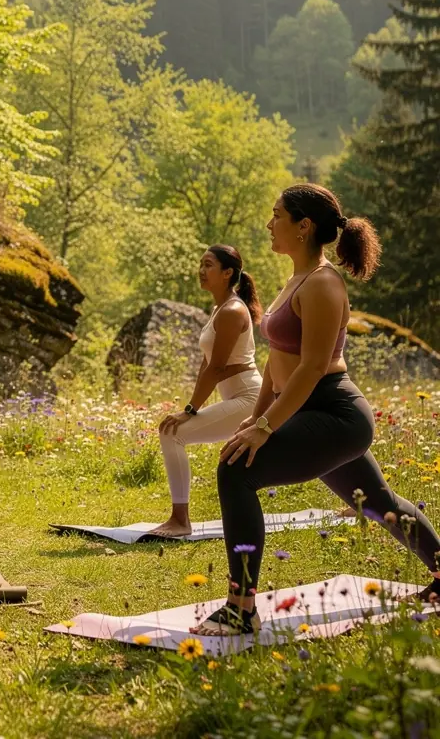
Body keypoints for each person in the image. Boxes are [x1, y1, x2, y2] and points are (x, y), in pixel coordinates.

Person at [193, 184, 440, 637]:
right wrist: (256, 415)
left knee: (235, 470)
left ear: (303, 226)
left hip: (334, 413)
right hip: (309, 408)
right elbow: (277, 361)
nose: (269, 224)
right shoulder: (296, 279)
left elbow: (310, 368)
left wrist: (266, 426)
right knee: (378, 503)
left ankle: (240, 607)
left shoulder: (325, 284)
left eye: (277, 215)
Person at [151, 246, 263, 538]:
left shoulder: (232, 311)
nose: (201, 270)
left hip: (249, 399)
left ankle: (180, 520)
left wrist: (189, 411)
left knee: (172, 432)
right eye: (200, 263)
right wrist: (192, 405)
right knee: (173, 430)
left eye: (208, 265)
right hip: (238, 398)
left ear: (227, 273)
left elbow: (216, 369)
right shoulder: (219, 310)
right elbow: (207, 366)